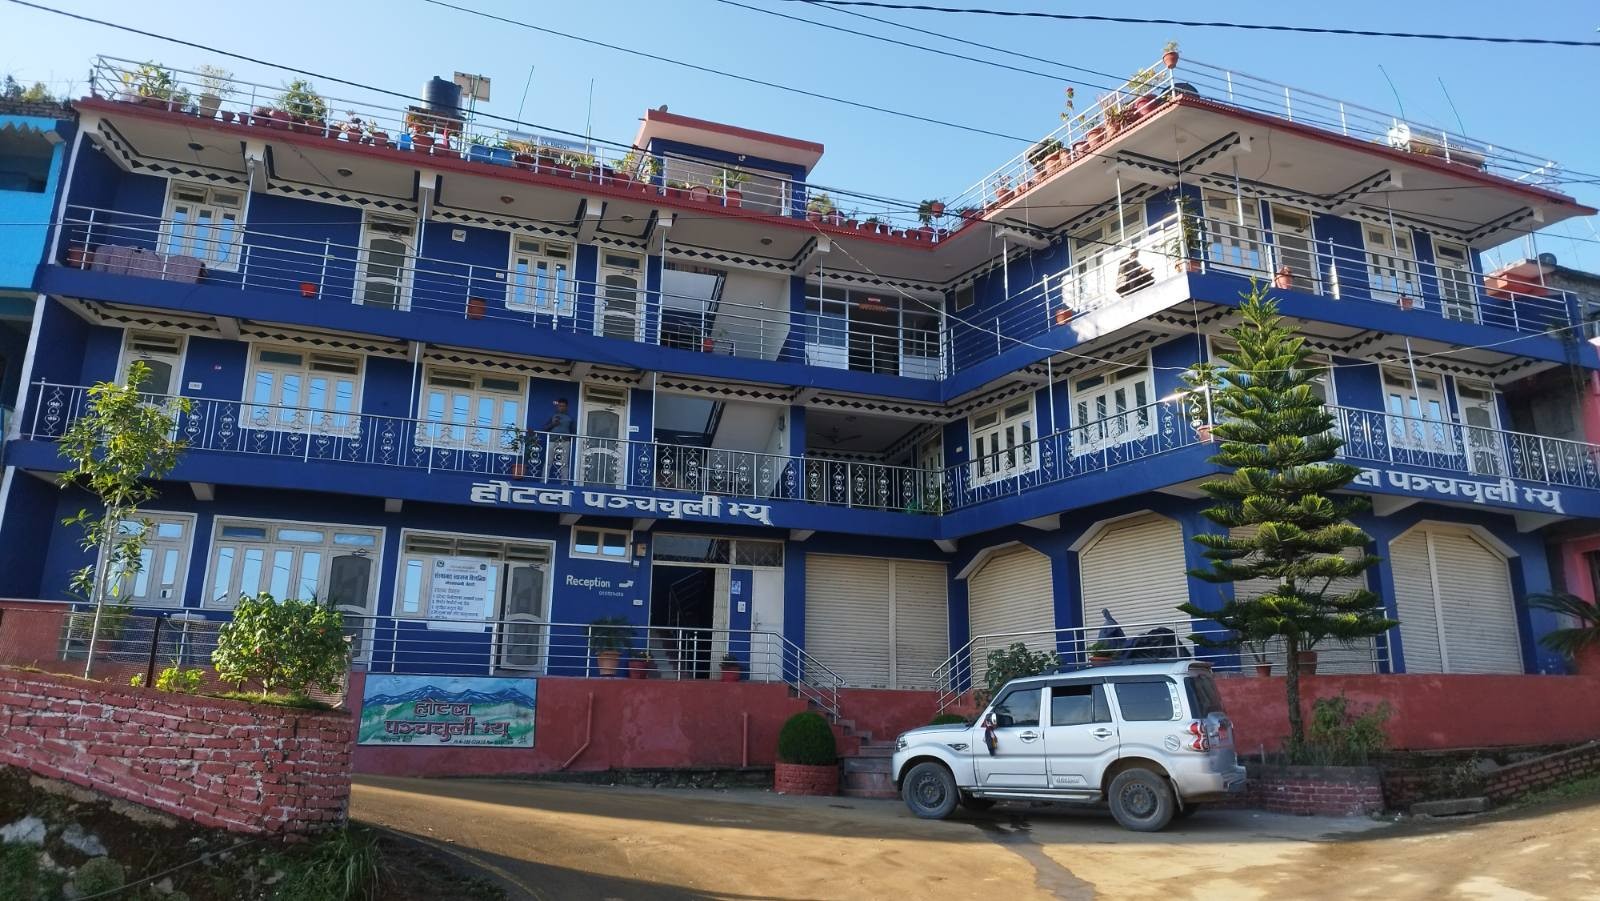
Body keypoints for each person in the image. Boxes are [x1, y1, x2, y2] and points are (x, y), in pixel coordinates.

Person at [543, 399, 576, 480]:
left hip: (565, 442)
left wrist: (568, 438)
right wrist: (553, 424)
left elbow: (573, 431)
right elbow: (545, 428)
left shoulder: (570, 418)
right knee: (548, 462)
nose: (561, 408)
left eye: (563, 406)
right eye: (560, 406)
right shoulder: (553, 416)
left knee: (564, 463)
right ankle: (543, 480)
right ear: (557, 407)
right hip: (552, 441)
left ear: (566, 407)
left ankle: (564, 482)